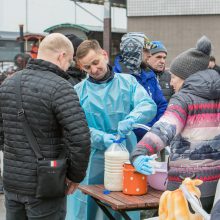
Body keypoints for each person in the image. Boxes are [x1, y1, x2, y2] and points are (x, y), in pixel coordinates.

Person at [0, 33, 91, 220]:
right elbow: (80, 137)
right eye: (70, 60)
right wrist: (75, 176)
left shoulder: (8, 83)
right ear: (62, 56)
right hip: (47, 183)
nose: (69, 66)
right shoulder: (61, 87)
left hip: (12, 181)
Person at [67, 39, 157, 220]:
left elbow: (148, 105)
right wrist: (99, 137)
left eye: (95, 63)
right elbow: (75, 127)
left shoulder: (128, 83)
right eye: (86, 67)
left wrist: (132, 119)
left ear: (104, 55)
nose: (93, 70)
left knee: (125, 204)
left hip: (126, 151)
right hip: (91, 158)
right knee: (88, 207)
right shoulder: (77, 91)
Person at [131, 36, 220, 213]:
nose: (171, 82)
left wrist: (139, 153)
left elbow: (165, 128)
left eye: (174, 77)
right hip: (215, 187)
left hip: (185, 187)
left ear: (186, 78)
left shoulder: (184, 99)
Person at [113, 32, 168, 142]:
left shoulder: (149, 74)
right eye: (146, 50)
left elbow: (161, 104)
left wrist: (153, 129)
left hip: (151, 140)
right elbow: (118, 115)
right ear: (134, 51)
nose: (149, 54)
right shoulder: (115, 78)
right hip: (125, 142)